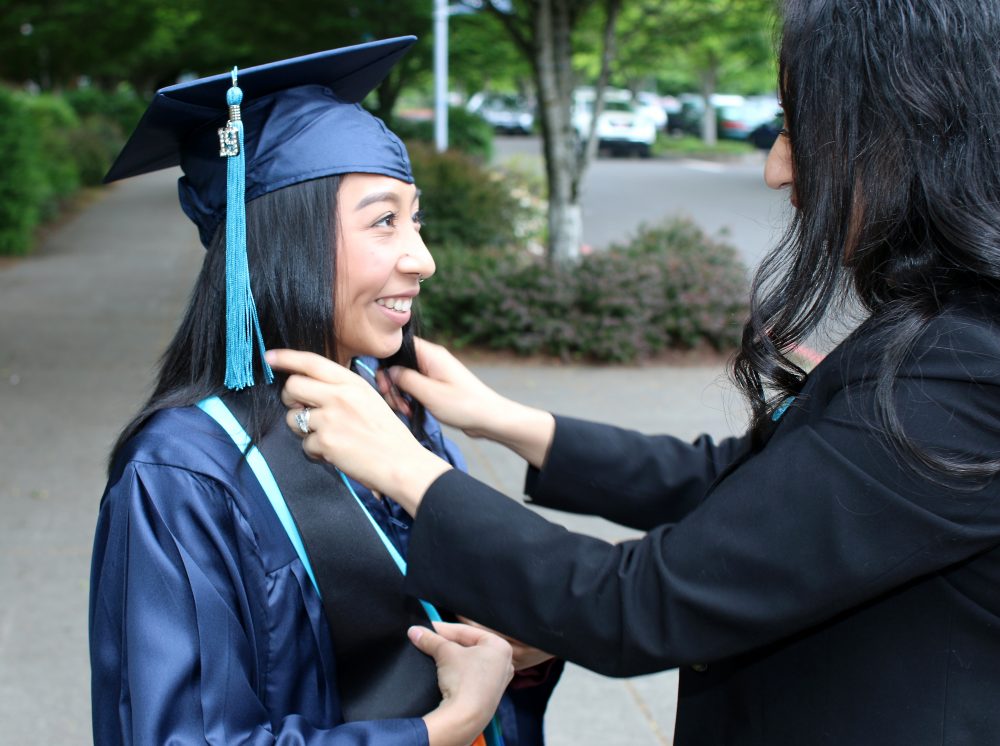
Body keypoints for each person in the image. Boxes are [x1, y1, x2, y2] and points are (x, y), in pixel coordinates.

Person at [264, 2, 1000, 744]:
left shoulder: (964, 371)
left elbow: (643, 605)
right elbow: (745, 485)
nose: (779, 168)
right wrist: (506, 421)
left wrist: (409, 470)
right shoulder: (950, 330)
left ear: (911, 129)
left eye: (797, 127)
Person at [89, 38, 562, 746]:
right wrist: (443, 727)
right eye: (383, 221)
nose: (422, 258)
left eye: (416, 217)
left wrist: (518, 652)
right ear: (281, 240)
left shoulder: (393, 407)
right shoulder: (183, 474)